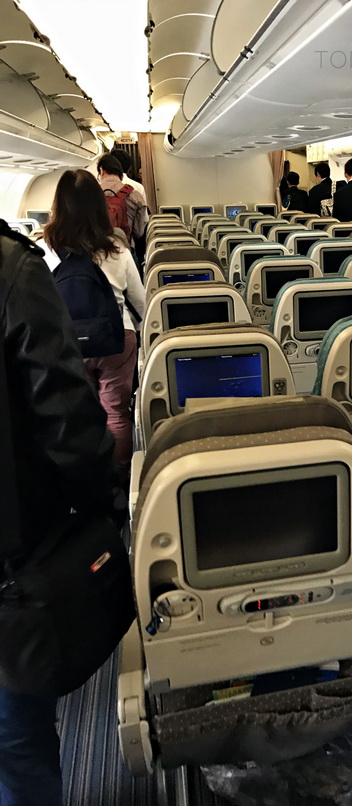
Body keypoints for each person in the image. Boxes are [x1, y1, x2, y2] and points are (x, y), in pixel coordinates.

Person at [0, 220, 117, 806]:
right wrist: (106, 513)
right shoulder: (12, 271)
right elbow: (69, 423)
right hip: (13, 568)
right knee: (18, 746)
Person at [42, 169, 145, 468]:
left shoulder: (44, 250)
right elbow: (140, 302)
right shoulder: (116, 248)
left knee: (80, 413)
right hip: (115, 338)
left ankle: (91, 473)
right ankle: (122, 475)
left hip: (67, 342)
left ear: (58, 204)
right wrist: (139, 337)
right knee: (116, 413)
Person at [97, 153, 148, 246]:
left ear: (101, 170)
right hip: (125, 247)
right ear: (121, 173)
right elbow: (139, 232)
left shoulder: (89, 194)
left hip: (97, 249)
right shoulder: (135, 194)